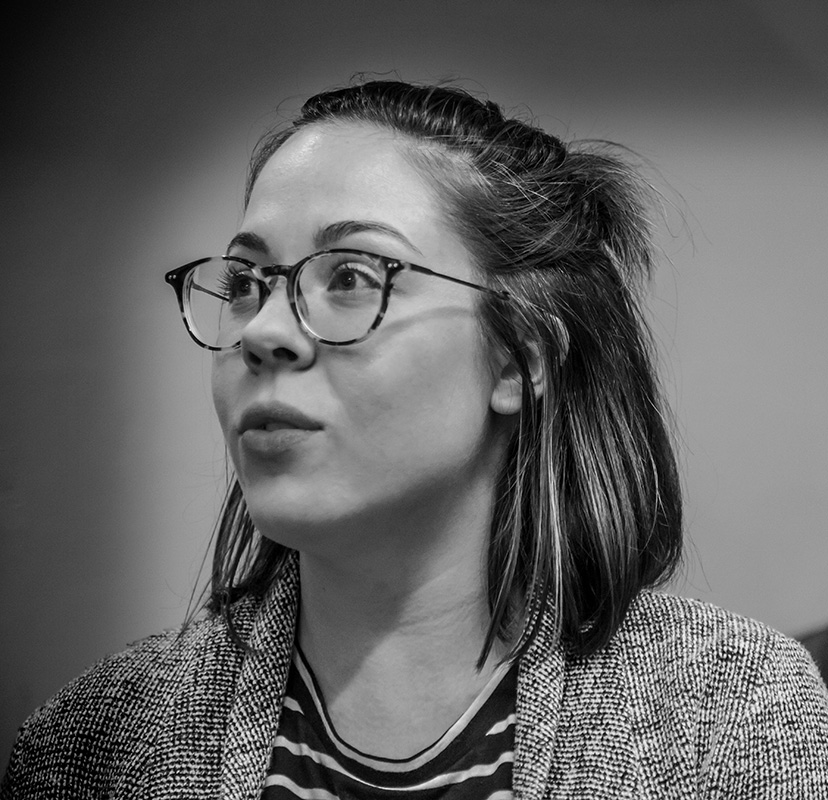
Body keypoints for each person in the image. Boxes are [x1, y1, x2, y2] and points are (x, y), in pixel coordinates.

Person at [3, 79, 827, 799]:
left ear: (519, 358)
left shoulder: (734, 722)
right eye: (248, 282)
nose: (263, 331)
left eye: (353, 276)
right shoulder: (86, 748)